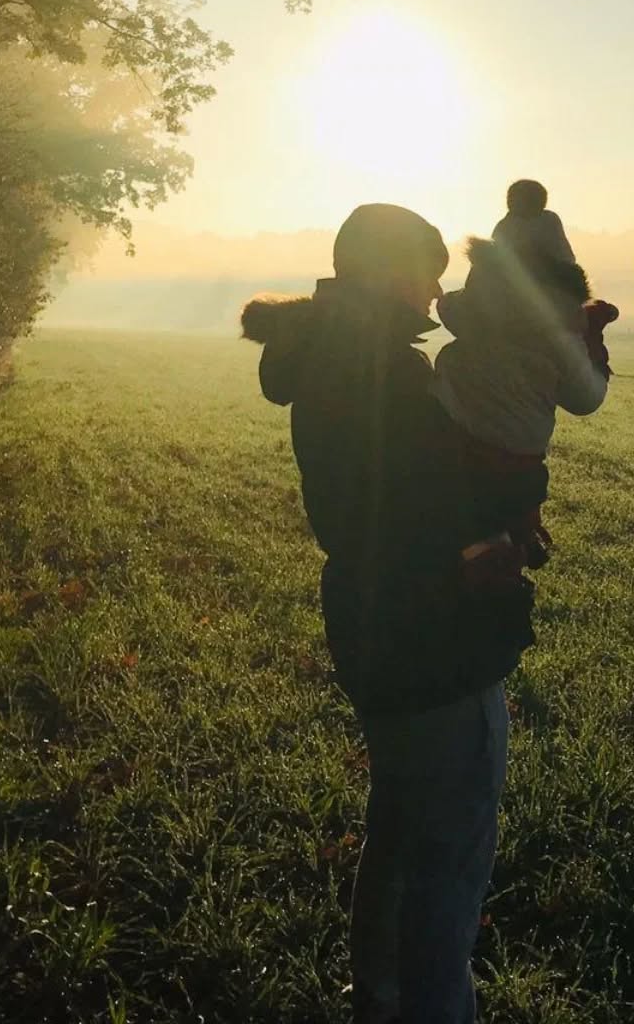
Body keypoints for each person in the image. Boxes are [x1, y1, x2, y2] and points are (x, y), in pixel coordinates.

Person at [242, 202, 531, 1024]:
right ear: (393, 273)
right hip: (432, 635)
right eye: (428, 272)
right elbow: (439, 506)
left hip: (371, 623)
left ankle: (380, 1001)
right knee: (448, 867)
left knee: (400, 839)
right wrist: (514, 497)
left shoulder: (333, 356)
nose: (436, 293)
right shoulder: (390, 376)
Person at [432, 181, 618, 570]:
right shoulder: (559, 342)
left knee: (466, 551)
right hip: (516, 470)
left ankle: (486, 564)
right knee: (499, 564)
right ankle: (503, 571)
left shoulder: (474, 317)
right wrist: (593, 349)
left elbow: (449, 309)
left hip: (454, 461)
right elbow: (586, 400)